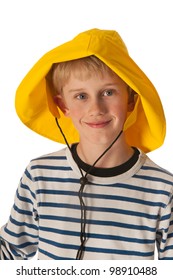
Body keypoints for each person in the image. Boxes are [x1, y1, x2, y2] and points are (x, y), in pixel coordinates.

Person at [0, 28, 173, 260]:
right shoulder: (39, 175)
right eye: (81, 96)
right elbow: (12, 249)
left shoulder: (162, 189)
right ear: (63, 106)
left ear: (131, 99)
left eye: (109, 92)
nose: (96, 109)